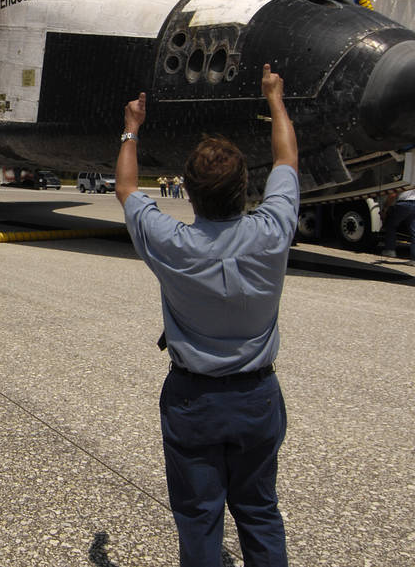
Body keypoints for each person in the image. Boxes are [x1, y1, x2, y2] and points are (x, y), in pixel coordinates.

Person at [115, 64, 298, 567]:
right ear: (245, 188)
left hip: (194, 399)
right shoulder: (272, 232)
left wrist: (132, 127)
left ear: (188, 193)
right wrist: (274, 100)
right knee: (260, 511)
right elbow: (287, 159)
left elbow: (128, 191)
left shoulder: (173, 243)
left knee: (199, 519)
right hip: (258, 396)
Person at [381, 174, 415, 266]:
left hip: (404, 204)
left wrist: (385, 207)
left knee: (391, 224)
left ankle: (390, 250)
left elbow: (393, 194)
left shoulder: (401, 177)